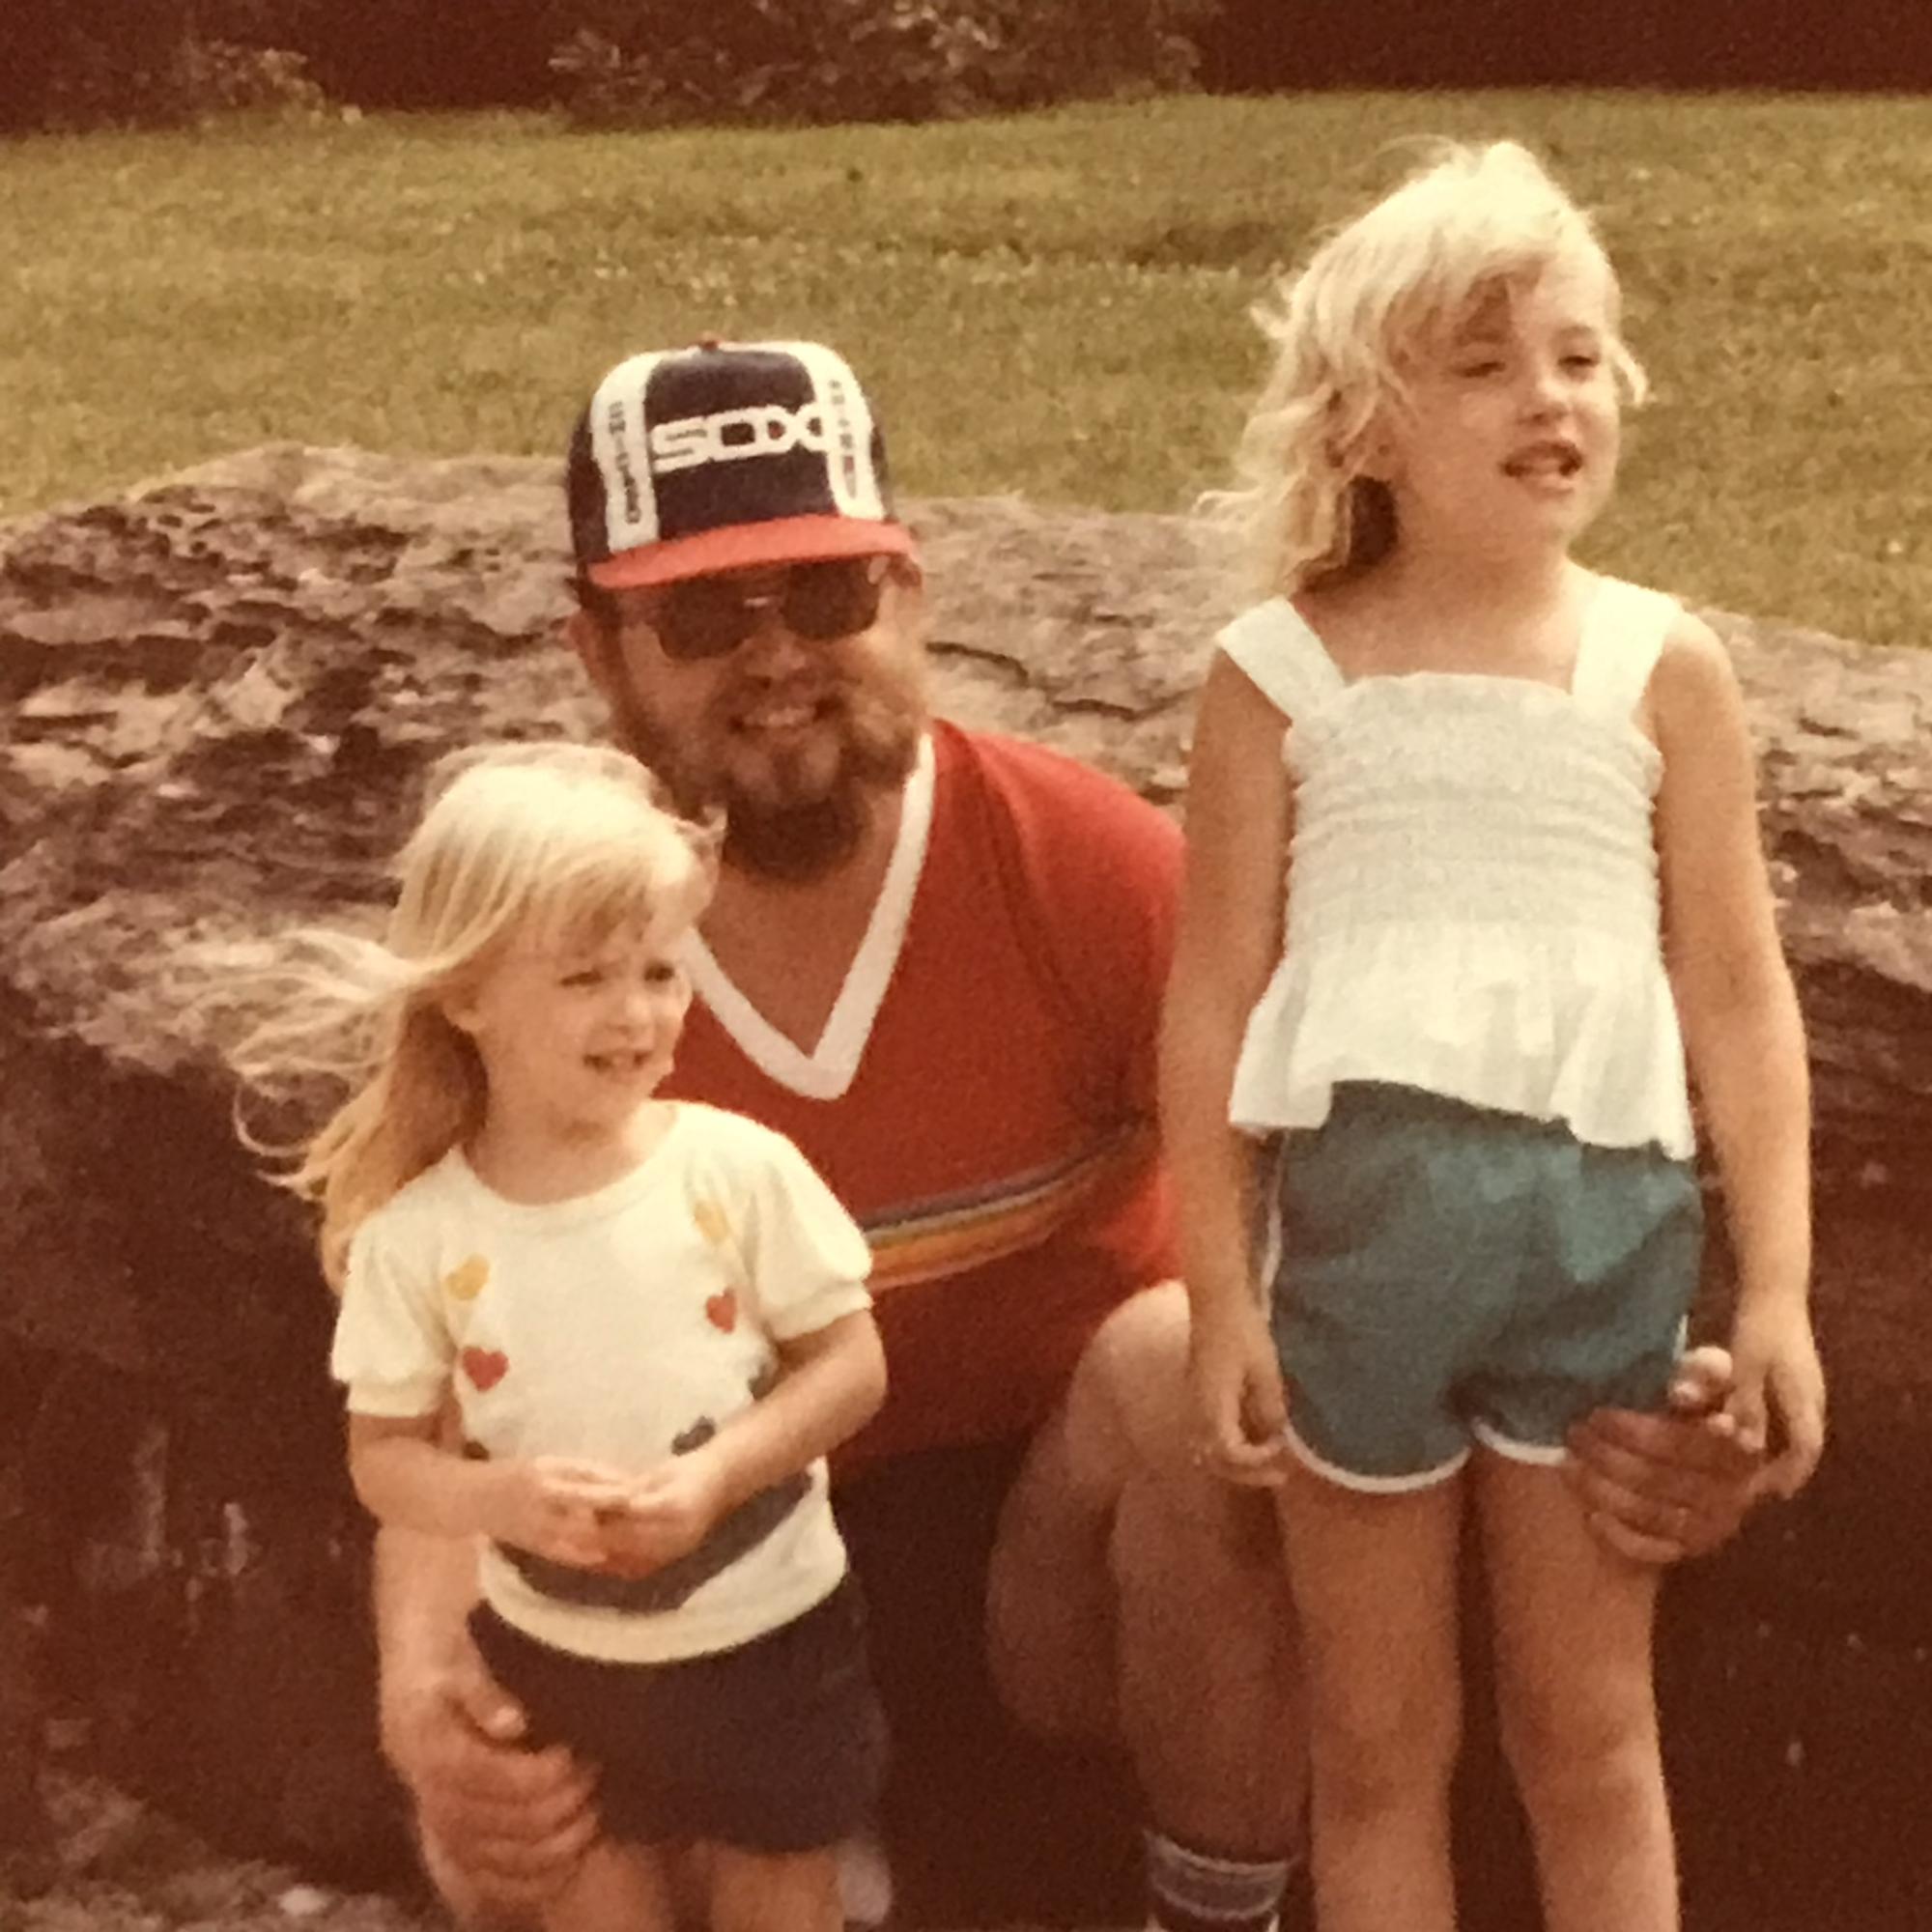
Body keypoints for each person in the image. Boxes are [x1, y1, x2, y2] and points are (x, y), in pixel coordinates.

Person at [371, 335, 1767, 1932]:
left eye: (825, 596)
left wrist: (1631, 1413)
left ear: (911, 592)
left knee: (1192, 1363)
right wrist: (420, 1691)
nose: (778, 662)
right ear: (599, 654)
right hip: (689, 1582)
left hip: (1053, 1577)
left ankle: (1211, 1906)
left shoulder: (1088, 871)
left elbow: (1425, 1204)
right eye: (698, 619)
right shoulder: (540, 937)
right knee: (504, 1829)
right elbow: (431, 1363)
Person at [1163, 142, 1825, 1932]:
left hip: (1602, 1244)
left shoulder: (1660, 666)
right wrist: (1221, 1290)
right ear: (1363, 427)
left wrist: (1773, 1292)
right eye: (1484, 363)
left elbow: (1738, 990)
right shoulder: (1280, 675)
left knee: (1590, 1730)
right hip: (1363, 1264)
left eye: (1581, 355)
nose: (1553, 397)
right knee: (1377, 1745)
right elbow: (1215, 992)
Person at [236, 742, 891, 1932]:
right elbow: (381, 1459)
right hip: (560, 1652)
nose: (637, 1012)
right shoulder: (419, 1236)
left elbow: (850, 1366)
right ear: (466, 992)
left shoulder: (735, 1169)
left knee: (779, 1893)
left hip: (771, 1630)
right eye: (585, 976)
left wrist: (715, 1474)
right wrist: (502, 1499)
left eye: (660, 969)